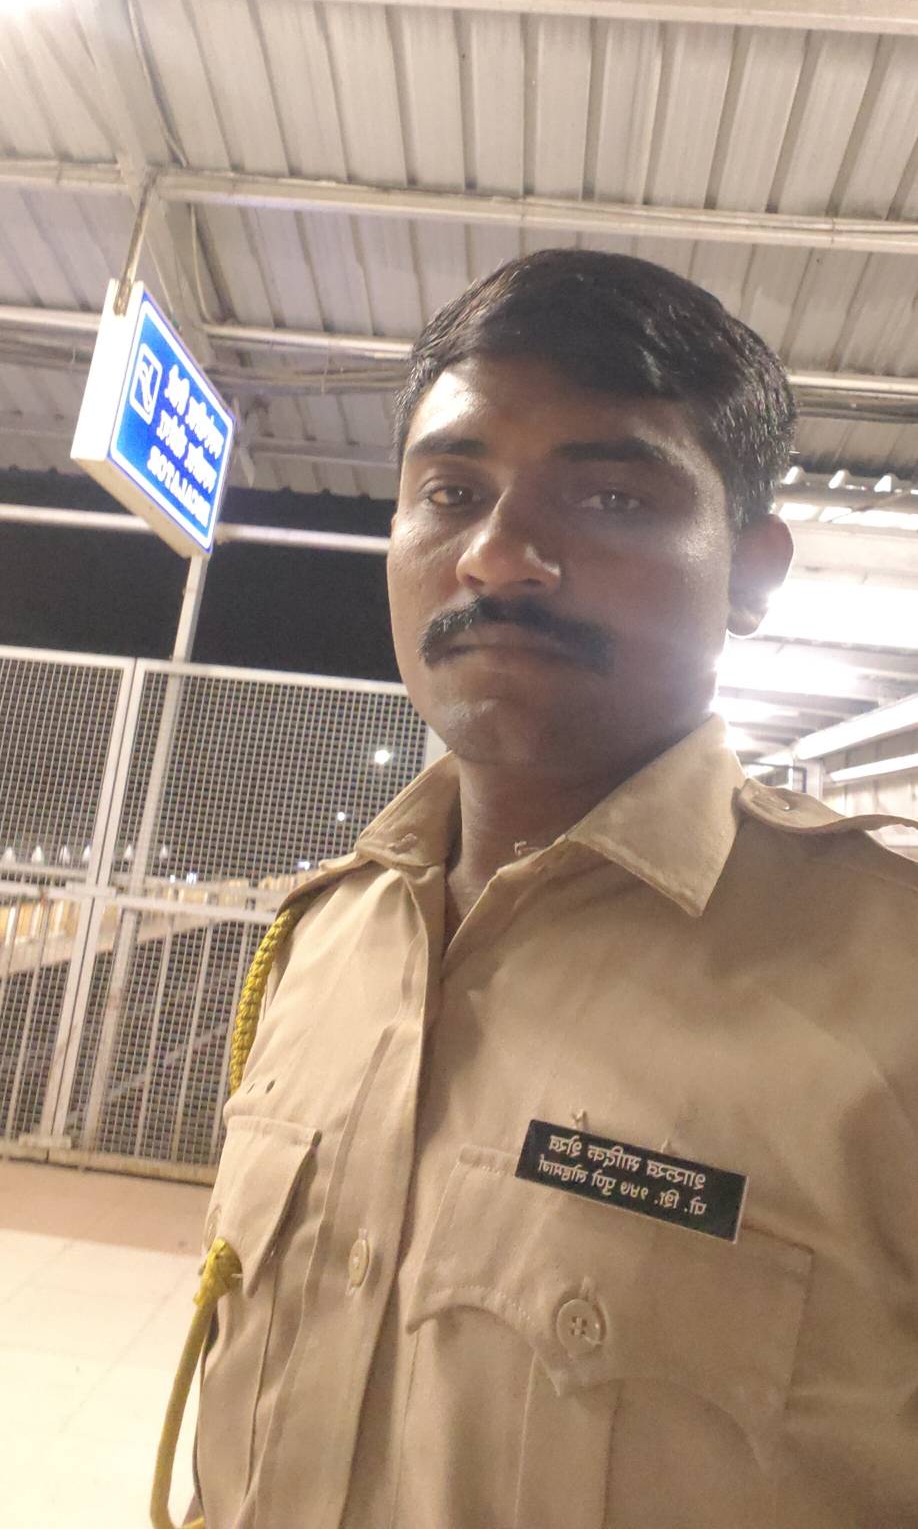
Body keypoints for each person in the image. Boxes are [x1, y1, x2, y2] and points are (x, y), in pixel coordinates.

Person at [181, 251, 918, 1529]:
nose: (499, 556)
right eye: (451, 493)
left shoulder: (888, 978)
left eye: (614, 496)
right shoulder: (320, 942)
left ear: (751, 573)